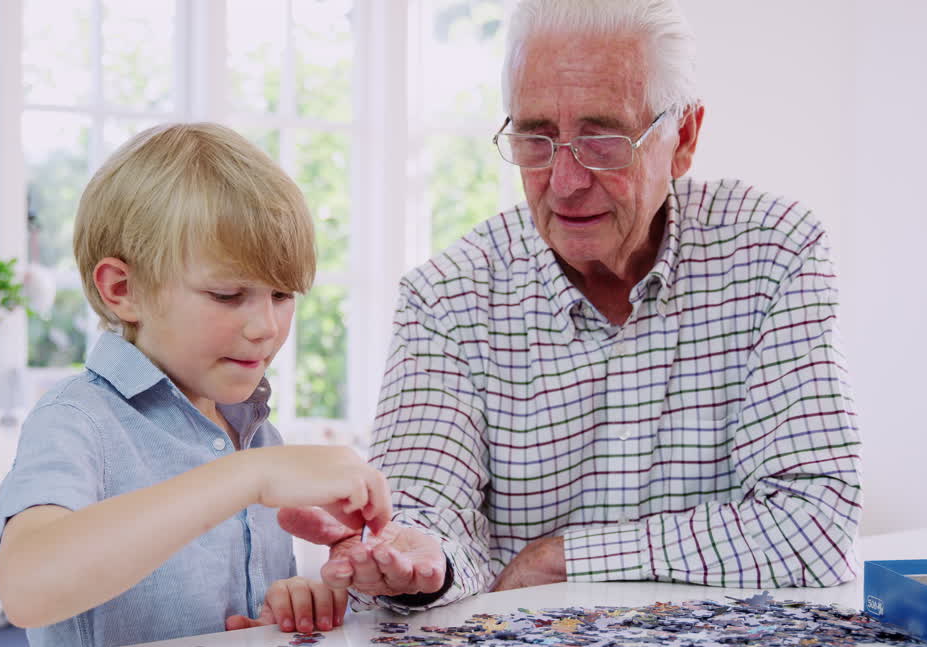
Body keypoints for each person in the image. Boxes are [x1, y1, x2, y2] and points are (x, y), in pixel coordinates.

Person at [283, 0, 862, 610]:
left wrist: (568, 558)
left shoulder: (775, 252)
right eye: (536, 139)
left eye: (603, 140)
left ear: (683, 137)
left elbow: (817, 524)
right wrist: (412, 559)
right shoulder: (447, 297)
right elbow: (423, 516)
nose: (564, 182)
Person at [0, 123, 391, 647]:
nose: (266, 327)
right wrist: (252, 476)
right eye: (228, 294)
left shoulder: (254, 431)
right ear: (122, 291)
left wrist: (291, 606)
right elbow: (27, 586)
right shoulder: (77, 419)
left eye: (282, 294)